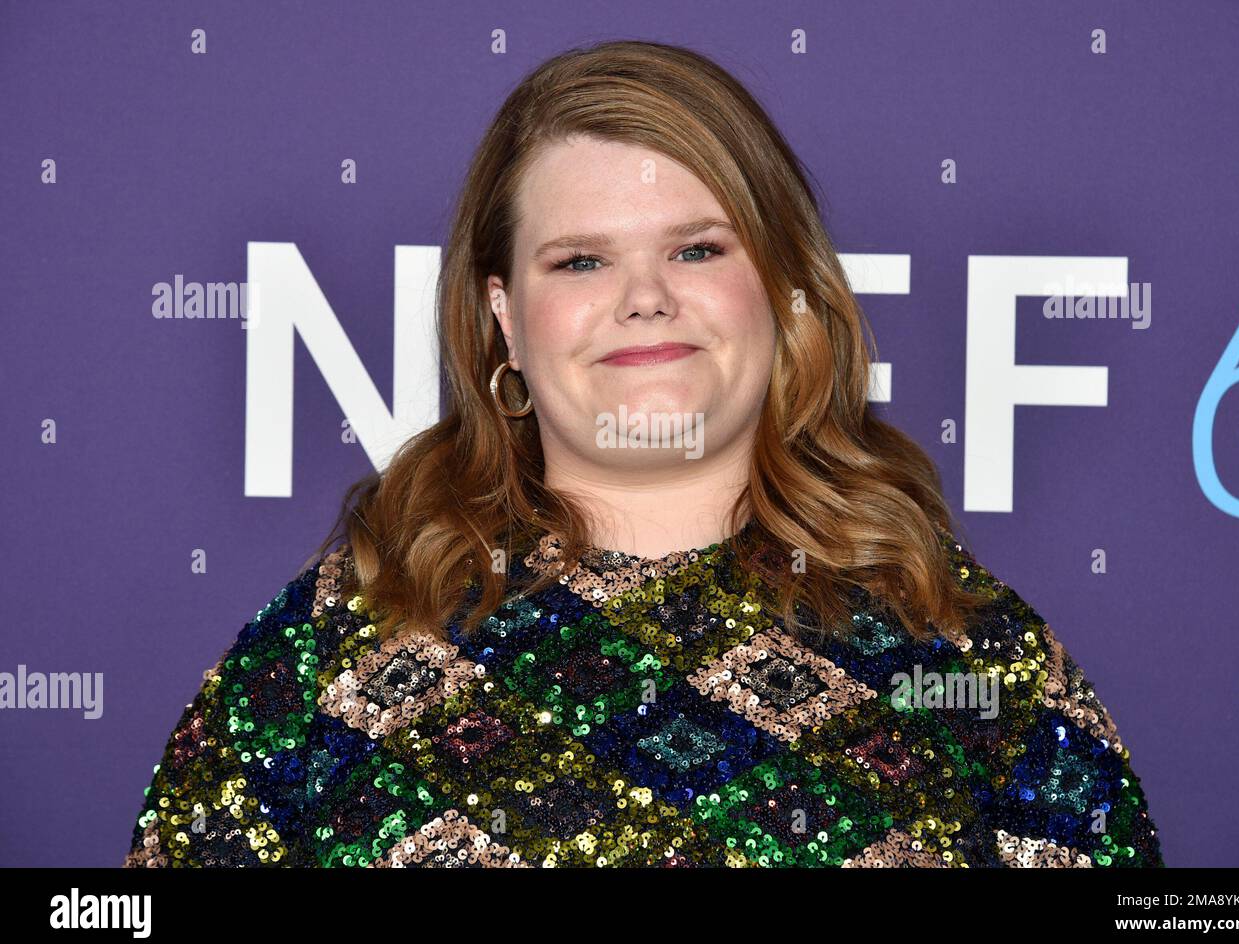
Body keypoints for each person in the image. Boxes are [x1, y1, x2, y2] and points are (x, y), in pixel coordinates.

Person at [123, 39, 1161, 868]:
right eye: (581, 259)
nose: (644, 295)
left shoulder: (969, 658)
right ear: (504, 315)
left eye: (697, 248)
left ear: (785, 286)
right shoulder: (329, 647)